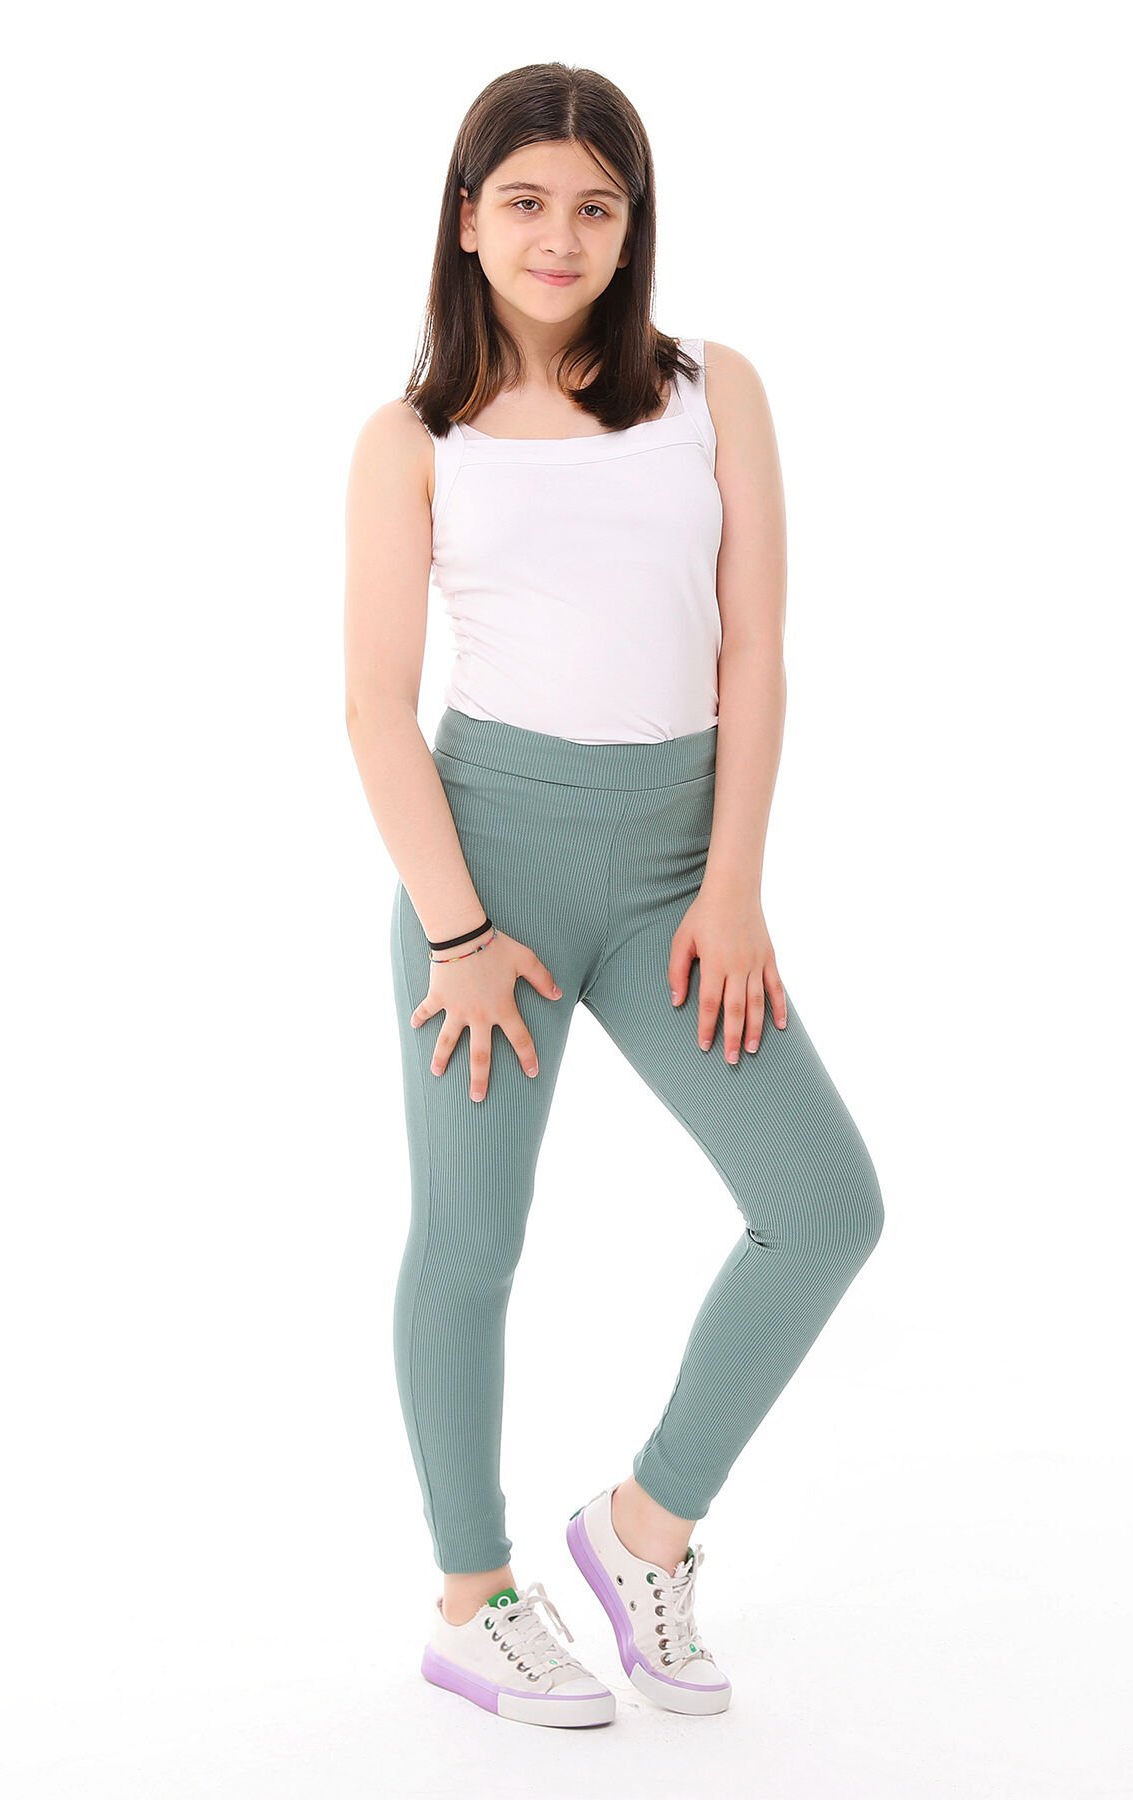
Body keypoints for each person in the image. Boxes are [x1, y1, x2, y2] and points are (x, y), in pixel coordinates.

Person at [344, 62, 885, 1730]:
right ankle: (473, 1600)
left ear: (633, 223)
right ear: (468, 219)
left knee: (824, 1209)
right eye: (526, 202)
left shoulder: (713, 390)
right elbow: (372, 704)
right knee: (472, 1239)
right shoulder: (413, 440)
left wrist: (735, 887)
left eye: (596, 205)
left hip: (677, 881)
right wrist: (457, 932)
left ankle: (644, 1528)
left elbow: (755, 651)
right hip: (487, 877)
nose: (560, 236)